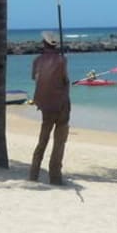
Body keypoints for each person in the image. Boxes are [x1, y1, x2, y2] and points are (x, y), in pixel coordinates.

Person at [29, 29, 70, 185]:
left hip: (46, 105)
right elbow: (65, 79)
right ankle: (55, 177)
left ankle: (33, 174)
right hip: (62, 105)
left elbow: (35, 78)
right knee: (59, 143)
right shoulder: (62, 60)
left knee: (42, 141)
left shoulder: (37, 60)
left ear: (43, 44)